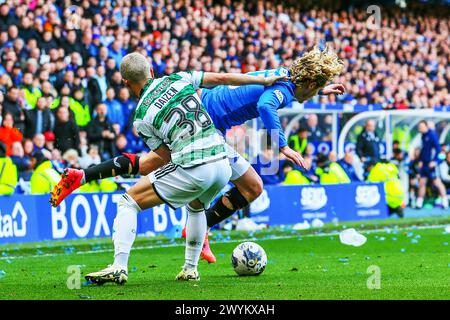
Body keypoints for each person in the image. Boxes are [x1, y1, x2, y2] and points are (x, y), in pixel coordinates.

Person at [51, 46, 345, 263]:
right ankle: (200, 230)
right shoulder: (283, 89)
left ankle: (82, 175)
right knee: (252, 186)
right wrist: (282, 145)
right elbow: (268, 105)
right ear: (308, 82)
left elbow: (271, 89)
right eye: (316, 87)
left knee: (148, 163)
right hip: (208, 126)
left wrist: (322, 90)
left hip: (202, 112)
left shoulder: (286, 76)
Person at [63, 52, 288, 285]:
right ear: (151, 71)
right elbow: (222, 78)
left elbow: (164, 157)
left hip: (194, 163)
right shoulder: (179, 78)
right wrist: (263, 80)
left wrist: (133, 164)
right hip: (222, 162)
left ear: (126, 83)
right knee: (197, 205)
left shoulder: (140, 118)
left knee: (129, 202)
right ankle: (190, 268)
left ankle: (119, 266)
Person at [415, 120, 448, 209]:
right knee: (422, 183)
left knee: (437, 182)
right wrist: (421, 160)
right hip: (425, 164)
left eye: (421, 126)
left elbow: (438, 149)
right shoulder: (423, 136)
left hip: (431, 164)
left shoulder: (432, 135)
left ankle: (445, 201)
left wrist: (435, 161)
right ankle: (419, 203)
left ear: (426, 126)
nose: (419, 128)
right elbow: (423, 150)